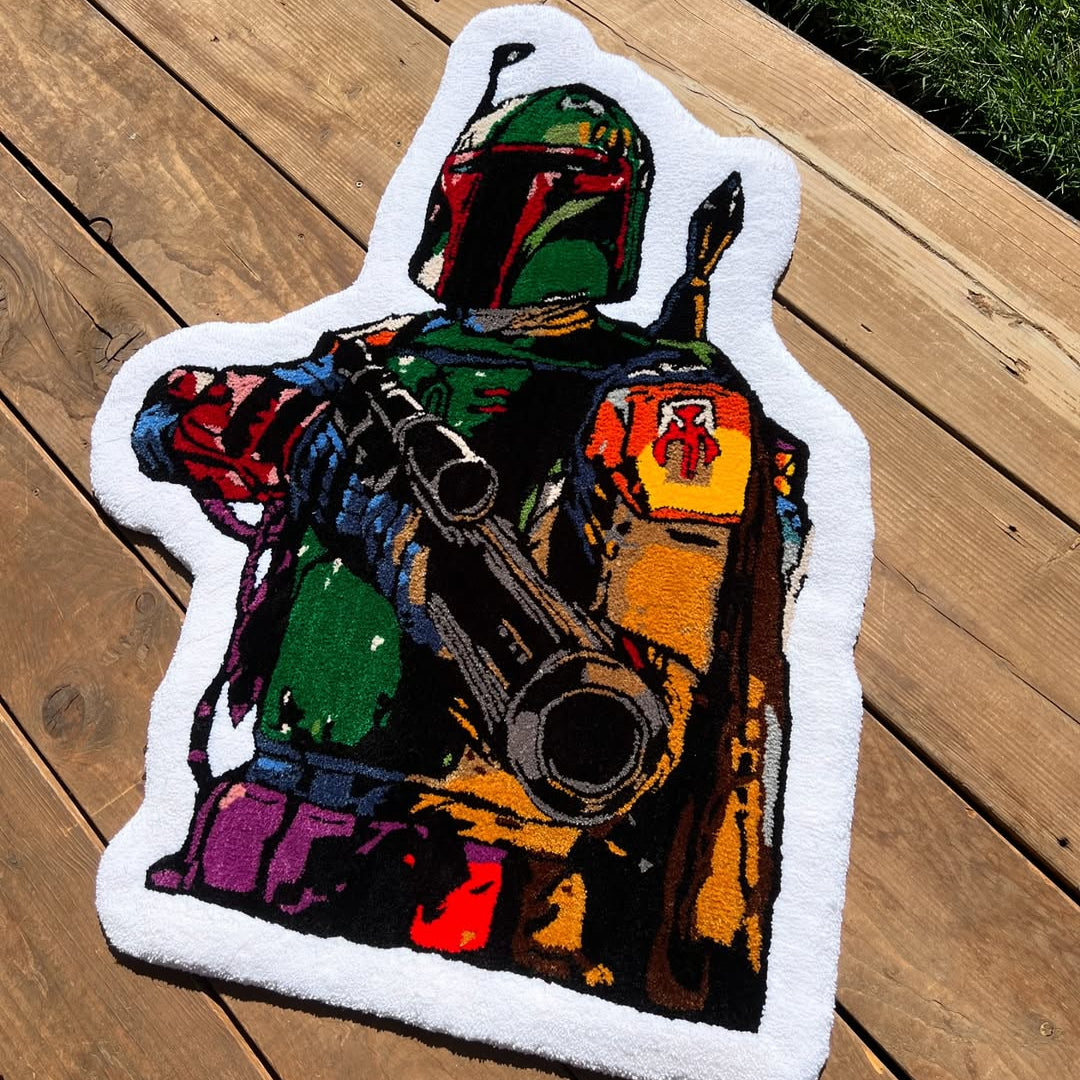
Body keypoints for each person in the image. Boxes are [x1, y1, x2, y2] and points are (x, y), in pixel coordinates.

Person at [132, 48, 809, 1030]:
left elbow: (646, 711)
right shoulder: (382, 351)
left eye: (505, 193)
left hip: (493, 859)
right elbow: (162, 422)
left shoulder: (668, 402)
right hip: (266, 808)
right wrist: (274, 428)